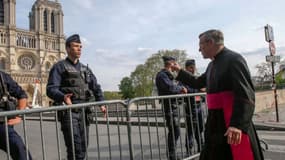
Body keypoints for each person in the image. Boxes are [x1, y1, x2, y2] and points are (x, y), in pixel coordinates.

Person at [172, 29, 264, 160]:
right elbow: (197, 82)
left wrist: (237, 125)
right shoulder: (211, 65)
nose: (199, 49)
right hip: (215, 121)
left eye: (201, 45)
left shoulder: (234, 59)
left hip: (230, 122)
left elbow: (245, 94)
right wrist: (179, 71)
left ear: (210, 42)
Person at [46, 34, 106, 160]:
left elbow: (96, 87)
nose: (79, 49)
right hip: (69, 112)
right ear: (67, 49)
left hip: (85, 113)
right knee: (75, 149)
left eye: (80, 47)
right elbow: (51, 89)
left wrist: (101, 103)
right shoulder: (59, 67)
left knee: (83, 148)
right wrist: (63, 97)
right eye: (76, 46)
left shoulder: (86, 69)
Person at [155, 56, 187, 160]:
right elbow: (170, 88)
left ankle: (172, 155)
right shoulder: (162, 75)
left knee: (175, 131)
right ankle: (172, 156)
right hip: (169, 107)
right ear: (171, 64)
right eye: (175, 63)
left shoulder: (168, 75)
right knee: (174, 131)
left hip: (173, 106)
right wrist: (181, 89)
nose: (176, 65)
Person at [0, 71, 32, 160]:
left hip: (2, 124)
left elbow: (22, 95)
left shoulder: (3, 77)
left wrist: (19, 116)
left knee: (19, 148)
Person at [182, 59, 204, 155]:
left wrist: (201, 93)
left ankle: (201, 147)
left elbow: (201, 91)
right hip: (190, 108)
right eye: (191, 67)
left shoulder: (195, 78)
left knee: (200, 128)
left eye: (194, 67)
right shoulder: (183, 79)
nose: (193, 69)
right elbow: (186, 91)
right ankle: (189, 150)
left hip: (199, 107)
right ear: (186, 68)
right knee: (191, 130)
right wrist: (199, 90)